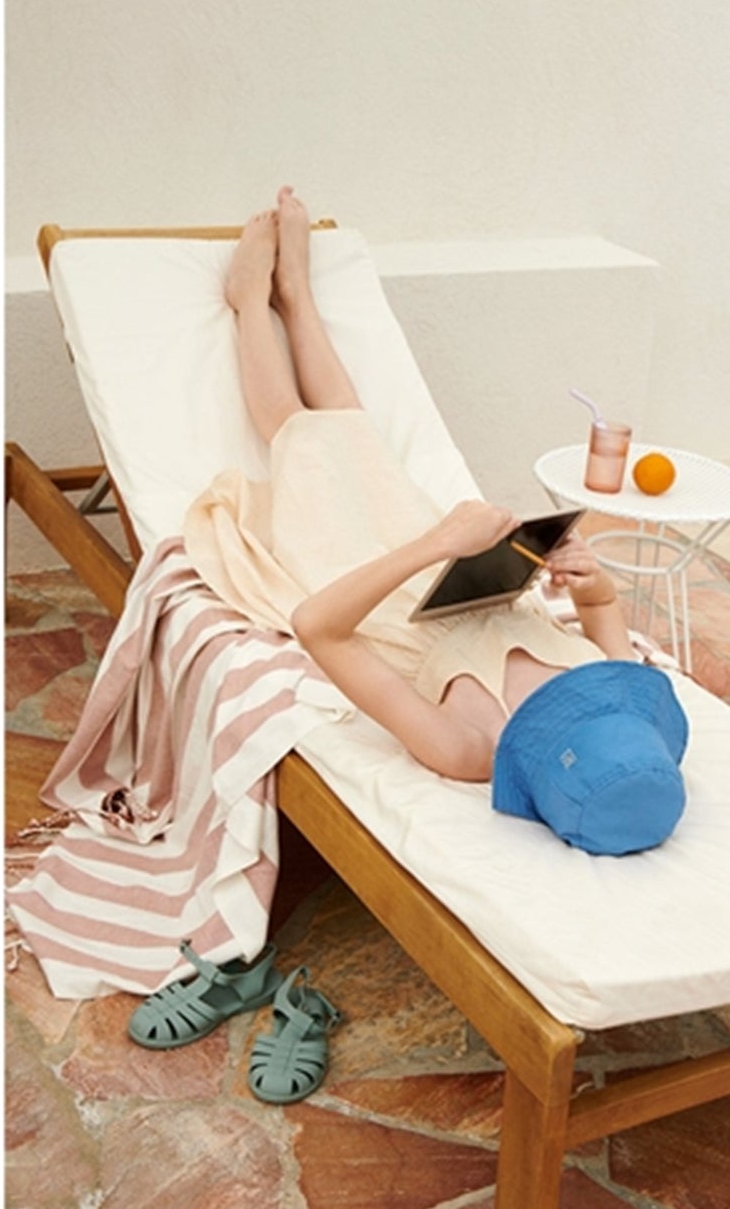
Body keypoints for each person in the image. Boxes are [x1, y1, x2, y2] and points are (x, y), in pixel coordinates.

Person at [184, 186, 688, 856]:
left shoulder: (466, 749)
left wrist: (436, 543)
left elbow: (319, 628)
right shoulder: (622, 702)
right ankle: (297, 296)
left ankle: (251, 302)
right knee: (359, 441)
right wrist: (584, 576)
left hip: (373, 598)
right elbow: (600, 608)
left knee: (302, 441)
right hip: (468, 578)